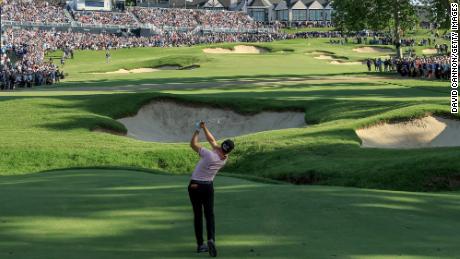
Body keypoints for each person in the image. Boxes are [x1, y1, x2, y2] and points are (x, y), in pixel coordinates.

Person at [188, 121, 235, 257]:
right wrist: (205, 128)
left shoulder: (209, 155)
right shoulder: (224, 158)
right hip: (208, 187)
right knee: (209, 215)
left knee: (198, 215)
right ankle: (211, 240)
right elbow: (212, 140)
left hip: (195, 185)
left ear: (222, 146)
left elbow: (193, 145)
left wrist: (197, 130)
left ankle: (200, 245)